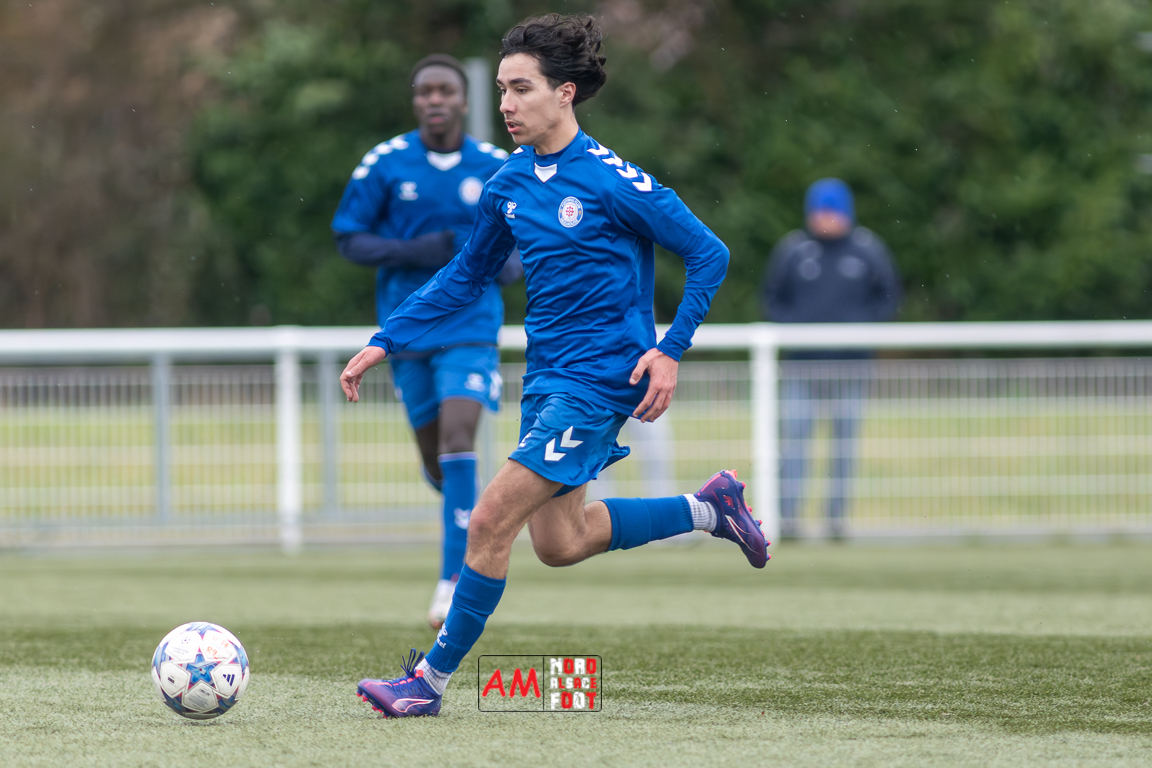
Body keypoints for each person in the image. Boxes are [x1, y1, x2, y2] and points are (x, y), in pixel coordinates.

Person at [339, 13, 769, 718]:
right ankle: (708, 508)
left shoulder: (610, 181)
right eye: (502, 90)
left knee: (488, 519)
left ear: (564, 93)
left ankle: (428, 683)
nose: (506, 104)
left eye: (522, 89)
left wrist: (669, 350)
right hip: (546, 380)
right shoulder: (508, 183)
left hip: (598, 383)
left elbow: (708, 253)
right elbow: (465, 276)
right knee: (561, 542)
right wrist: (386, 340)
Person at [331, 54, 524, 630]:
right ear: (416, 101)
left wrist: (507, 265)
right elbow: (349, 238)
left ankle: (454, 578)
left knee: (460, 436)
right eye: (425, 92)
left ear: (464, 101)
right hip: (407, 329)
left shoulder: (497, 165)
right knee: (438, 462)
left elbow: (524, 241)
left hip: (471, 327)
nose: (435, 100)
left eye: (446, 91)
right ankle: (464, 506)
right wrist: (420, 251)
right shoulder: (386, 162)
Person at [760, 178, 902, 540]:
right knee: (793, 445)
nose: (825, 219)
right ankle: (788, 520)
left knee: (844, 447)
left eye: (831, 211)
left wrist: (861, 330)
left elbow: (888, 298)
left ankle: (836, 521)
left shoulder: (868, 250)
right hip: (801, 368)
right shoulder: (794, 250)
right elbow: (772, 299)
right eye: (819, 211)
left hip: (851, 367)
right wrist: (795, 330)